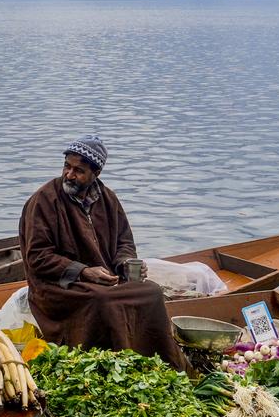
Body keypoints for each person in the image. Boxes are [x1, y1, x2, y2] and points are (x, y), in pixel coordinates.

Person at [18, 134, 186, 370]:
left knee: (152, 292)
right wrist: (84, 272)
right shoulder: (44, 200)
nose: (69, 174)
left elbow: (124, 242)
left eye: (79, 170)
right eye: (67, 166)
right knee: (103, 300)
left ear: (95, 174)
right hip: (57, 287)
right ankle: (111, 365)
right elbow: (37, 258)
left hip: (104, 280)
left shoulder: (108, 199)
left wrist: (125, 263)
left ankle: (160, 366)